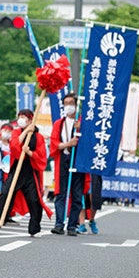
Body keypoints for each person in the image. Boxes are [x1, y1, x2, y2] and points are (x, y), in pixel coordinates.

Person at [0, 109, 52, 236]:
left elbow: (42, 156)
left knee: (34, 200)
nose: (21, 119)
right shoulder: (17, 132)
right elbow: (14, 147)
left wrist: (30, 153)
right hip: (17, 169)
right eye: (20, 116)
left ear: (30, 119)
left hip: (30, 171)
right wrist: (26, 132)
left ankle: (34, 229)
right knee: (6, 194)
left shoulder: (38, 137)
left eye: (24, 117)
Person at [49, 93, 85, 235]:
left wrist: (81, 129)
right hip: (63, 159)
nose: (68, 106)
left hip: (78, 161)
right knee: (61, 193)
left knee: (77, 195)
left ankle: (72, 225)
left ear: (76, 105)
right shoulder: (59, 123)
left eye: (71, 103)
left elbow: (88, 143)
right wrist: (68, 144)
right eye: (66, 103)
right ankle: (59, 224)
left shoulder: (82, 123)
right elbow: (54, 144)